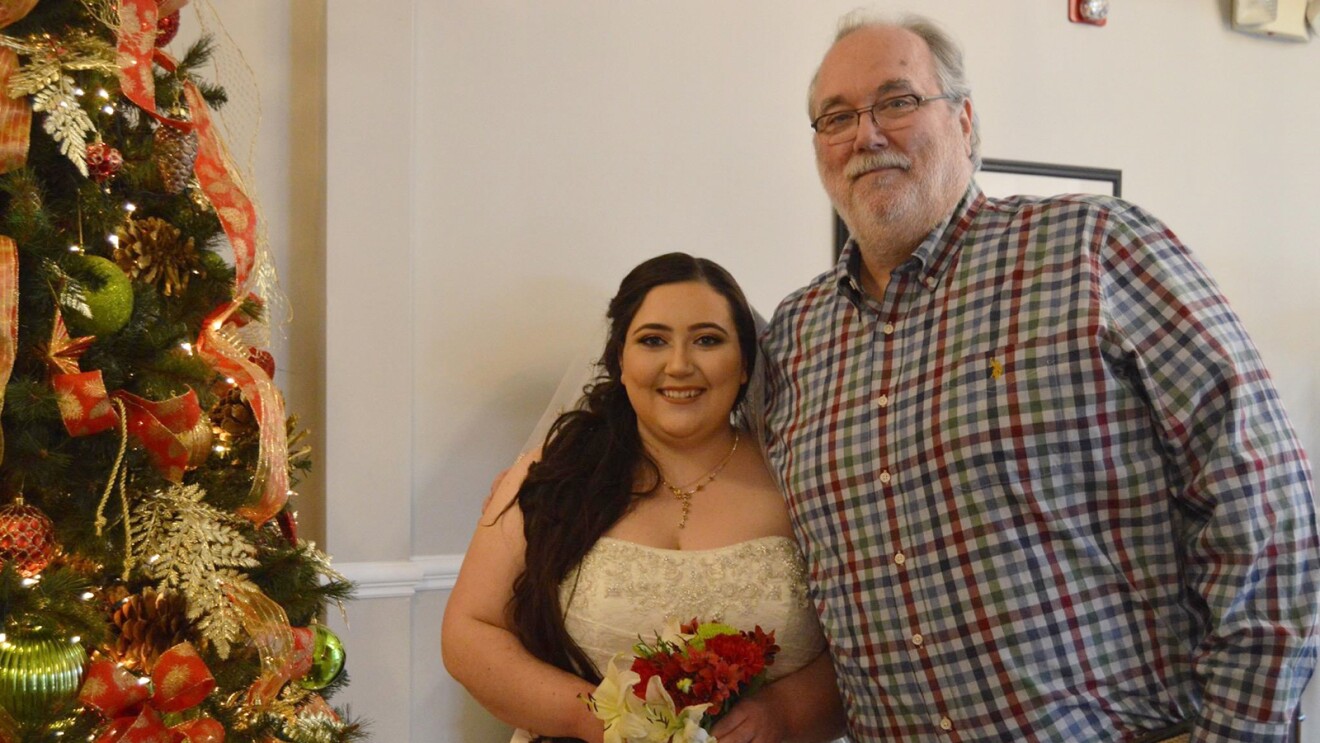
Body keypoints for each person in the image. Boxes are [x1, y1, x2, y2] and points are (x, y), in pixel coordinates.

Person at [760, 10, 1319, 742]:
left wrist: (1240, 732)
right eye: (836, 116)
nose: (865, 135)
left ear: (963, 119)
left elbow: (1265, 505)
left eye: (897, 101)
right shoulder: (796, 335)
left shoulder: (1096, 250)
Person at [443, 253, 846, 743]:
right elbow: (469, 631)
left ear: (744, 364)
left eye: (707, 340)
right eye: (653, 340)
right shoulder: (552, 475)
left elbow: (864, 637)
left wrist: (781, 713)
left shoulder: (801, 474)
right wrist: (593, 720)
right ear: (619, 359)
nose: (679, 365)